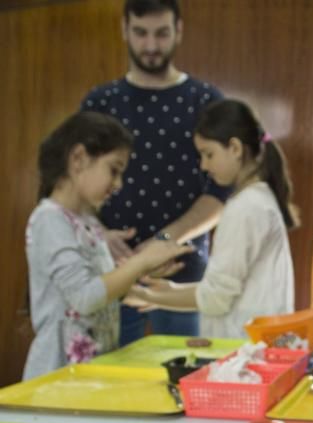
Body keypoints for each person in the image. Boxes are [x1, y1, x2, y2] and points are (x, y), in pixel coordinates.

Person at [81, 0, 229, 343]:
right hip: (109, 274)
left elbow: (221, 192)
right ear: (124, 30)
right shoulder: (100, 102)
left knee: (183, 382)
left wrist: (163, 242)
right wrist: (97, 234)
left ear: (179, 31)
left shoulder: (205, 100)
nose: (150, 45)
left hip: (183, 277)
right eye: (141, 33)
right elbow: (71, 184)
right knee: (112, 389)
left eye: (161, 33)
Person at [24, 112, 193, 380]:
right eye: (114, 170)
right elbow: (85, 298)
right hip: (57, 380)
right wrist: (142, 260)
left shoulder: (89, 222)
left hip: (91, 377)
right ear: (78, 158)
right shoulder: (49, 219)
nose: (118, 184)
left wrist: (143, 273)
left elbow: (103, 292)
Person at [123, 99, 297, 338]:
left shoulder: (245, 207)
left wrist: (151, 296)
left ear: (235, 148)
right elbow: (228, 289)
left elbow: (217, 298)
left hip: (243, 350)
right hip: (251, 347)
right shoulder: (256, 199)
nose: (204, 166)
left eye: (208, 154)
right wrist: (172, 291)